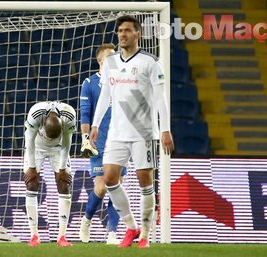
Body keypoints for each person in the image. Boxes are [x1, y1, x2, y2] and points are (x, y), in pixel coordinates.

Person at [90, 15, 174, 248]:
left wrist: (165, 130)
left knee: (144, 180)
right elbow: (105, 95)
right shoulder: (111, 62)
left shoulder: (151, 62)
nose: (122, 34)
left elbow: (161, 99)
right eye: (120, 31)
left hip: (143, 133)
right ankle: (131, 226)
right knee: (109, 178)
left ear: (138, 34)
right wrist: (95, 124)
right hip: (117, 132)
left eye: (127, 30)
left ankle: (145, 235)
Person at [79, 43, 127, 245]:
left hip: (120, 141)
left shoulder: (123, 82)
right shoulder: (90, 83)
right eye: (111, 56)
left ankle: (112, 234)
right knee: (101, 187)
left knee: (117, 186)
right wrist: (85, 140)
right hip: (98, 143)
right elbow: (85, 114)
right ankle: (86, 220)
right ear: (101, 61)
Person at [23, 101, 76, 247]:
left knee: (64, 184)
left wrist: (62, 169)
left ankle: (62, 238)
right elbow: (29, 140)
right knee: (31, 183)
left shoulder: (69, 115)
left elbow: (67, 142)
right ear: (43, 124)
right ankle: (34, 236)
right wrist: (32, 168)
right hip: (36, 147)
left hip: (59, 149)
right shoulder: (35, 113)